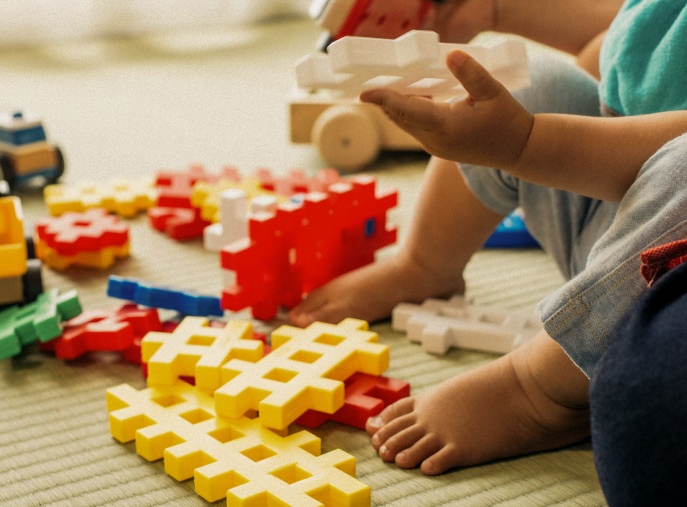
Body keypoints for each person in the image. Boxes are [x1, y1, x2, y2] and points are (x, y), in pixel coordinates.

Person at [288, 0, 687, 491]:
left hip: (666, 268)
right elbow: (626, 47)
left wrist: (524, 142)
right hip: (620, 232)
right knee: (532, 85)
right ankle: (424, 264)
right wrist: (493, 12)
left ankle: (539, 391)